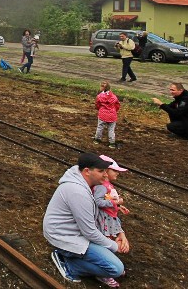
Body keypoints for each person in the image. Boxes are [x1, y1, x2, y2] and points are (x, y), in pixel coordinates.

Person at [44, 153, 128, 286]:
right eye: (101, 171)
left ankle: (73, 258)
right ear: (87, 171)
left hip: (74, 232)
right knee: (116, 269)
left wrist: (120, 233)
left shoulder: (89, 186)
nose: (106, 175)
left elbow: (104, 213)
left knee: (112, 263)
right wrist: (114, 246)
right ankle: (70, 264)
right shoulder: (78, 192)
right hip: (64, 237)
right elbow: (89, 232)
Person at [93, 155, 131, 242]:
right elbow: (98, 202)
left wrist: (118, 207)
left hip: (109, 218)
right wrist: (115, 203)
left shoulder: (108, 185)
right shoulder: (102, 186)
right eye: (114, 170)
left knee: (108, 239)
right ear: (105, 171)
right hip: (103, 219)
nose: (117, 173)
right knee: (104, 240)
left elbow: (106, 200)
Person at [94, 81, 120, 148]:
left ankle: (97, 140)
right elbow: (117, 105)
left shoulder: (99, 96)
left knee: (100, 127)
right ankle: (112, 143)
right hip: (112, 115)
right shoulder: (114, 97)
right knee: (111, 129)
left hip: (102, 114)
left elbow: (97, 105)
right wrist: (114, 111)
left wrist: (100, 109)